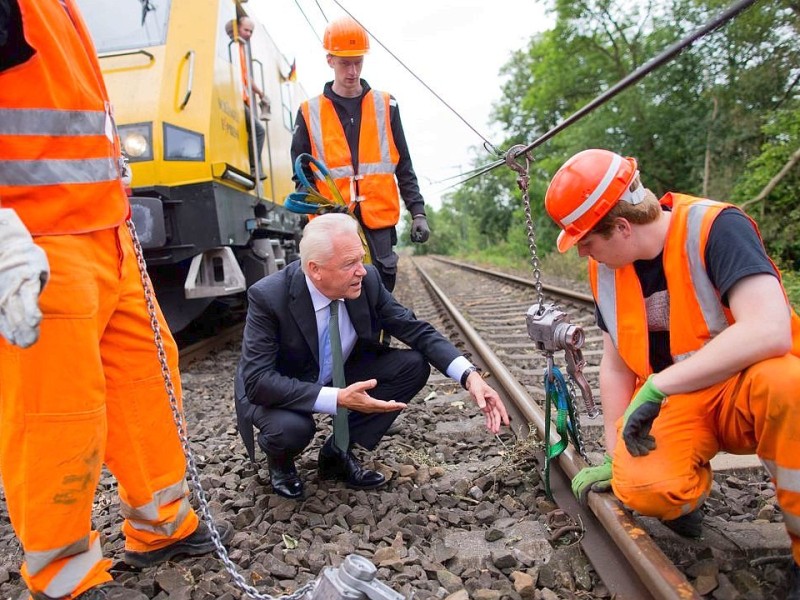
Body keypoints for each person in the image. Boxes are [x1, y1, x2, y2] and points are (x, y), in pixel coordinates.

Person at [0, 2, 232, 599]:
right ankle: (64, 578)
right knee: (58, 416)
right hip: (40, 239)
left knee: (148, 387)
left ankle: (161, 526)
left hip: (109, 232)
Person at [544, 148, 800, 595]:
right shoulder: (606, 270)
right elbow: (617, 363)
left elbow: (771, 328)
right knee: (642, 487)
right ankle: (684, 493)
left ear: (622, 227)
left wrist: (660, 384)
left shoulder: (715, 227)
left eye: (586, 239)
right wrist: (613, 451)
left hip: (746, 386)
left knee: (789, 385)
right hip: (682, 404)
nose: (582, 250)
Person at [236, 213, 509, 499]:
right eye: (349, 264)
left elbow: (416, 330)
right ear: (315, 270)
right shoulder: (268, 296)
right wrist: (338, 398)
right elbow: (258, 380)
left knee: (413, 365)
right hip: (281, 384)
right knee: (291, 430)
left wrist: (470, 376)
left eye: (361, 258)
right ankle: (281, 464)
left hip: (339, 369)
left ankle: (338, 451)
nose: (362, 271)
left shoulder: (367, 282)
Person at [290, 15, 430, 292]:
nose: (352, 71)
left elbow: (404, 166)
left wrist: (418, 212)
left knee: (380, 293)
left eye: (358, 62)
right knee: (339, 293)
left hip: (378, 220)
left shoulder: (386, 106)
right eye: (345, 63)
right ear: (330, 60)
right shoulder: (309, 112)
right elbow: (301, 175)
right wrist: (319, 209)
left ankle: (379, 338)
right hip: (332, 223)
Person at [226, 15, 265, 178]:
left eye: (251, 31)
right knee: (259, 130)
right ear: (237, 28)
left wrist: (260, 93)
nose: (249, 34)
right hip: (237, 99)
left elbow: (246, 77)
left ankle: (254, 166)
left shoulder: (240, 49)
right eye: (246, 30)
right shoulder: (234, 47)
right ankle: (254, 167)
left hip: (243, 99)